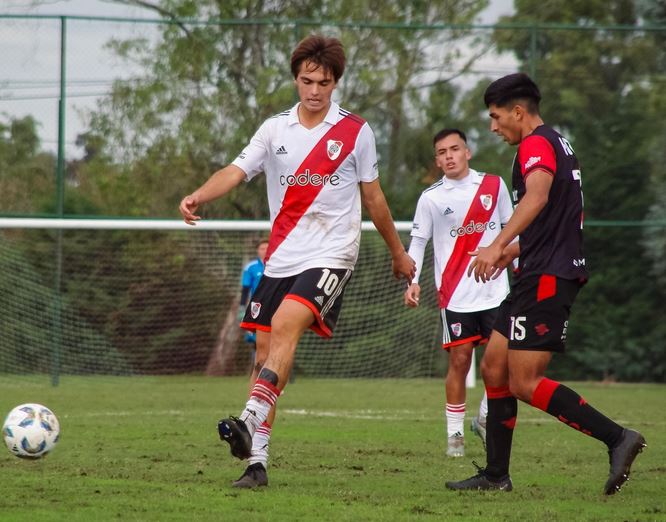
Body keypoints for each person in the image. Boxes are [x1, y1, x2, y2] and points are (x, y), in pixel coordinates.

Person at [179, 34, 415, 489]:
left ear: (335, 83)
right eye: (307, 81)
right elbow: (236, 170)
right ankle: (257, 464)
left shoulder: (355, 132)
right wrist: (197, 195)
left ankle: (247, 417)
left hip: (333, 252)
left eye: (323, 83)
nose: (314, 90)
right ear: (295, 79)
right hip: (283, 256)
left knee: (288, 325)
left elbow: (374, 197)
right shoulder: (274, 130)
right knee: (265, 356)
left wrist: (397, 252)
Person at [446, 73, 646, 495]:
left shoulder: (535, 145)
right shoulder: (557, 143)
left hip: (548, 277)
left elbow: (537, 198)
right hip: (536, 270)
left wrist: (497, 242)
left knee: (523, 381)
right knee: (494, 366)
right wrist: (511, 251)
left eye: (496, 117)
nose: (493, 127)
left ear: (518, 112)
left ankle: (618, 438)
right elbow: (556, 218)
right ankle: (496, 475)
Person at [404, 128, 513, 457]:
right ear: (437, 161)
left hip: (496, 290)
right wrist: (412, 280)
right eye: (442, 152)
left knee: (502, 362)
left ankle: (484, 416)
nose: (449, 156)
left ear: (468, 152)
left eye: (455, 149)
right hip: (454, 294)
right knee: (461, 361)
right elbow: (419, 241)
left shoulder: (494, 186)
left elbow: (511, 228)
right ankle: (454, 436)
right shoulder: (431, 198)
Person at [239, 238, 269, 366]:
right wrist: (241, 307)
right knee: (255, 339)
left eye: (267, 248)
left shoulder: (278, 264)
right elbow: (245, 289)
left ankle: (278, 369)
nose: (265, 251)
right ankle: (257, 367)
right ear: (257, 250)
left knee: (276, 336)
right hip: (256, 306)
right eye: (262, 248)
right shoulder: (250, 267)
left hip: (274, 304)